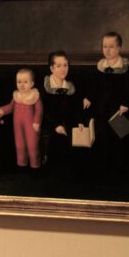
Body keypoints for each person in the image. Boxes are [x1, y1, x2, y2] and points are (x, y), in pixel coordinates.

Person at [84, 31, 129, 178]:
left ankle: (119, 170)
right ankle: (101, 169)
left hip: (118, 109)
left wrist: (126, 103)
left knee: (119, 136)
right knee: (101, 135)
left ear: (119, 48)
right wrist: (89, 98)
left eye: (111, 47)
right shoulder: (100, 67)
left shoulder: (125, 68)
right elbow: (94, 87)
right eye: (105, 46)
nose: (107, 50)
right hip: (101, 107)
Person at [39, 51, 88, 179]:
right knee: (57, 142)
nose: (63, 69)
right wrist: (56, 125)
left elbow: (76, 108)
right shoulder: (46, 86)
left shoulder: (70, 86)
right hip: (50, 123)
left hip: (68, 122)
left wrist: (80, 121)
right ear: (52, 68)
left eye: (65, 65)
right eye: (59, 66)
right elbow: (43, 111)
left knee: (76, 143)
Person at [0, 68, 42, 170]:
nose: (22, 84)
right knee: (20, 145)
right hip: (17, 125)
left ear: (32, 83)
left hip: (31, 125)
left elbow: (39, 110)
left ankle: (35, 166)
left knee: (32, 145)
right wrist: (3, 110)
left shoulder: (35, 96)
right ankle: (22, 165)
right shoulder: (17, 96)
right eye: (19, 82)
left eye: (25, 82)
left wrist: (36, 122)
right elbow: (11, 107)